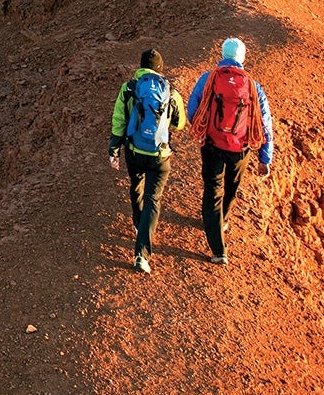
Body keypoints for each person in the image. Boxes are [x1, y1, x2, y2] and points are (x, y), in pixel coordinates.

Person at [184, 37, 275, 264]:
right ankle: (222, 219)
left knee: (212, 191)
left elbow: (192, 109)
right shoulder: (254, 86)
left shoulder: (208, 78)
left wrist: (203, 129)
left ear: (223, 54)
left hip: (212, 144)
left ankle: (218, 250)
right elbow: (264, 123)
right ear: (243, 57)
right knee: (232, 187)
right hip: (241, 148)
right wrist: (265, 157)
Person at [109, 47, 187, 273]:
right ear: (161, 68)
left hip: (134, 151)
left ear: (140, 66)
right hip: (160, 156)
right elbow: (179, 123)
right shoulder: (170, 92)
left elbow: (119, 120)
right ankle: (142, 255)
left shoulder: (129, 88)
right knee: (154, 199)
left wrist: (114, 150)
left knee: (136, 186)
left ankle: (137, 223)